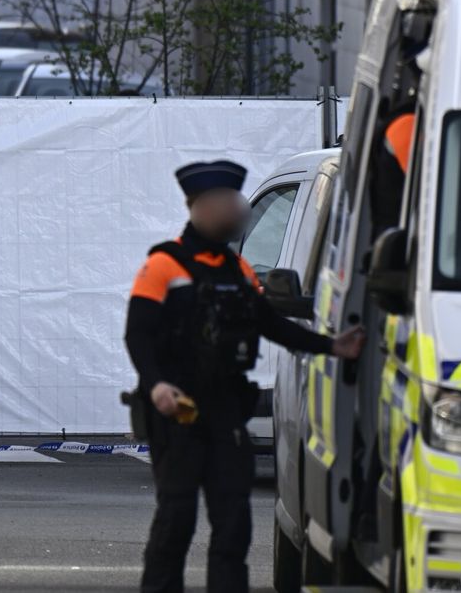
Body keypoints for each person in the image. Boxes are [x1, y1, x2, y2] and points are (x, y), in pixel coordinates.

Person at [125, 160, 365, 593]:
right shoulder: (163, 265)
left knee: (234, 527)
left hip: (225, 415)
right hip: (177, 414)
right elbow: (137, 334)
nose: (240, 211)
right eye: (230, 202)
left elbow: (271, 324)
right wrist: (156, 383)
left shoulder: (237, 271)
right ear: (202, 206)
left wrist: (333, 346)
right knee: (175, 524)